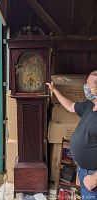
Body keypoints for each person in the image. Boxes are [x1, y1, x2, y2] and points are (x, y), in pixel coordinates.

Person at [46, 70, 97, 200]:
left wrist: (94, 179)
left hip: (93, 175)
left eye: (88, 85)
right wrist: (55, 90)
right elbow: (70, 106)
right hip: (83, 169)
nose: (85, 87)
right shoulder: (89, 105)